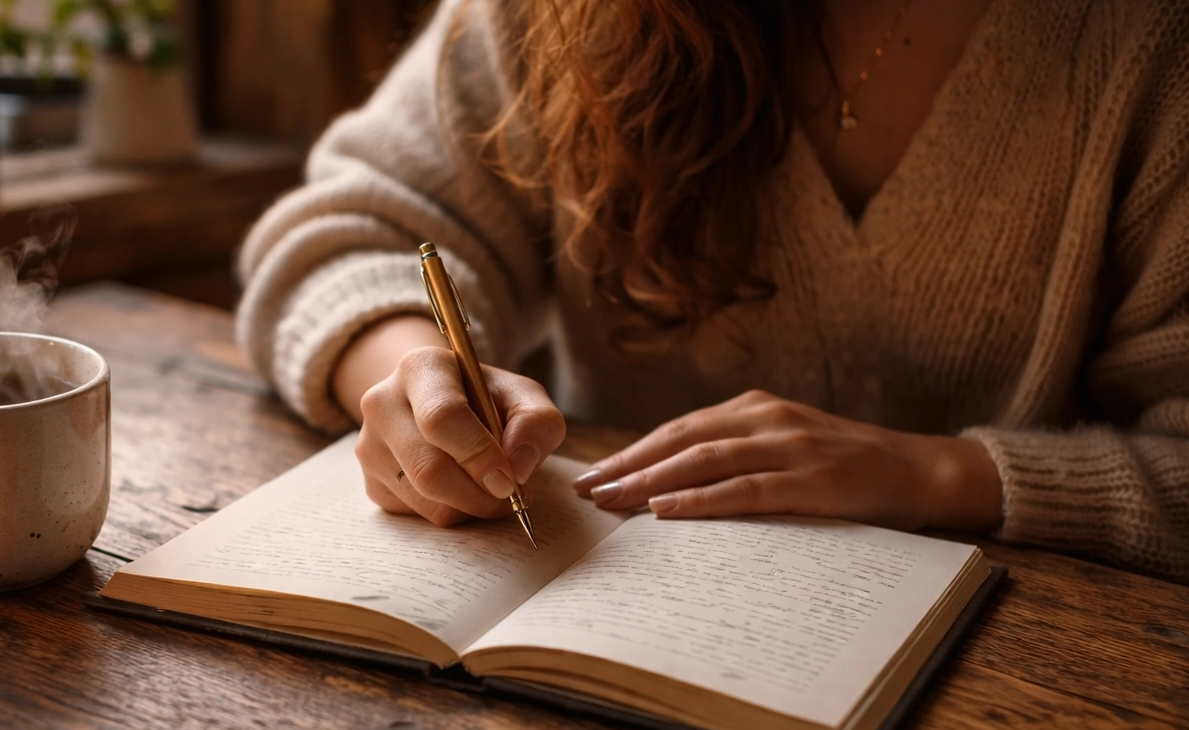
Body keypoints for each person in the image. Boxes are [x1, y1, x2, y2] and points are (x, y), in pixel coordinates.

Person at [236, 0, 1189, 583]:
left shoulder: (1143, 43)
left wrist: (936, 475)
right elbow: (344, 233)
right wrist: (415, 371)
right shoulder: (557, 14)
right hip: (606, 630)